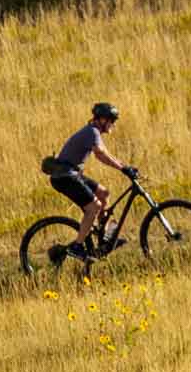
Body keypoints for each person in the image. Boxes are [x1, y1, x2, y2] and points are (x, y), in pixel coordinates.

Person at [42, 102, 137, 265]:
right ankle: (77, 247)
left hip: (72, 174)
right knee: (93, 207)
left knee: (104, 194)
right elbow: (100, 154)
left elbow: (104, 154)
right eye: (111, 121)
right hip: (64, 177)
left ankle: (103, 237)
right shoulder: (92, 132)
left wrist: (124, 166)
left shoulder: (93, 132)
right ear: (102, 120)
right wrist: (123, 169)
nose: (113, 124)